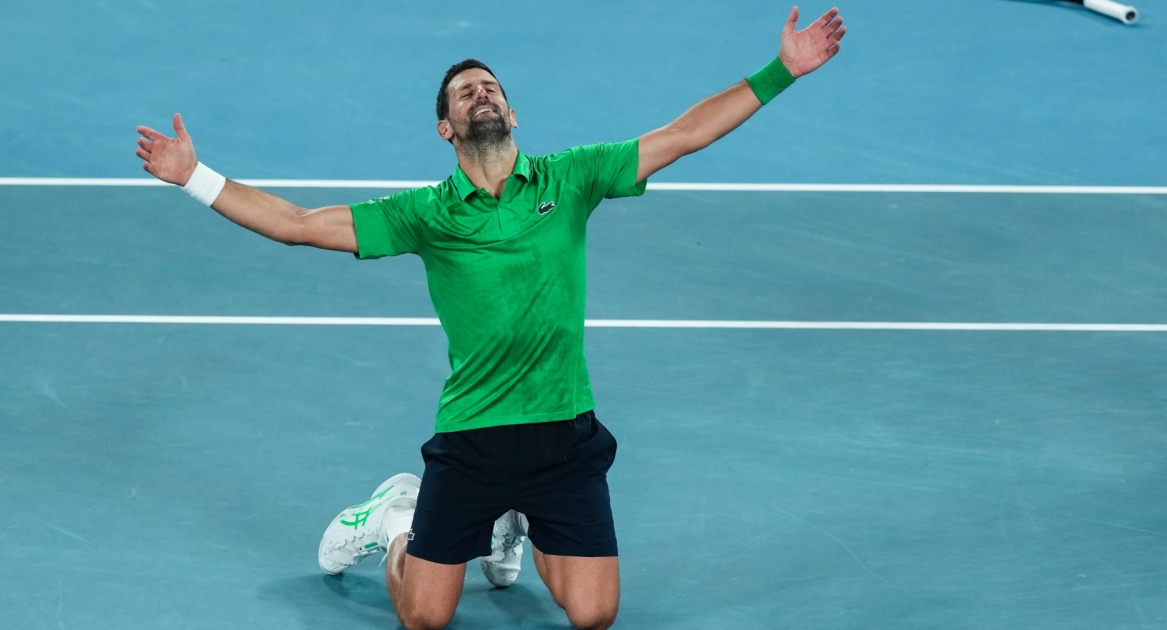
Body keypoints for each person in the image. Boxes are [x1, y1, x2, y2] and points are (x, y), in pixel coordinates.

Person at [134, 7, 846, 629]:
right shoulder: (424, 214)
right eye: (466, 92)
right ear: (446, 127)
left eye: (492, 87)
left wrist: (781, 71)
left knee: (594, 614)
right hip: (473, 439)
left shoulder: (572, 178)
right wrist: (195, 177)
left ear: (512, 114)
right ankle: (395, 519)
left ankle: (516, 521)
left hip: (564, 436)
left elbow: (684, 134)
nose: (482, 93)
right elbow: (297, 223)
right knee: (424, 616)